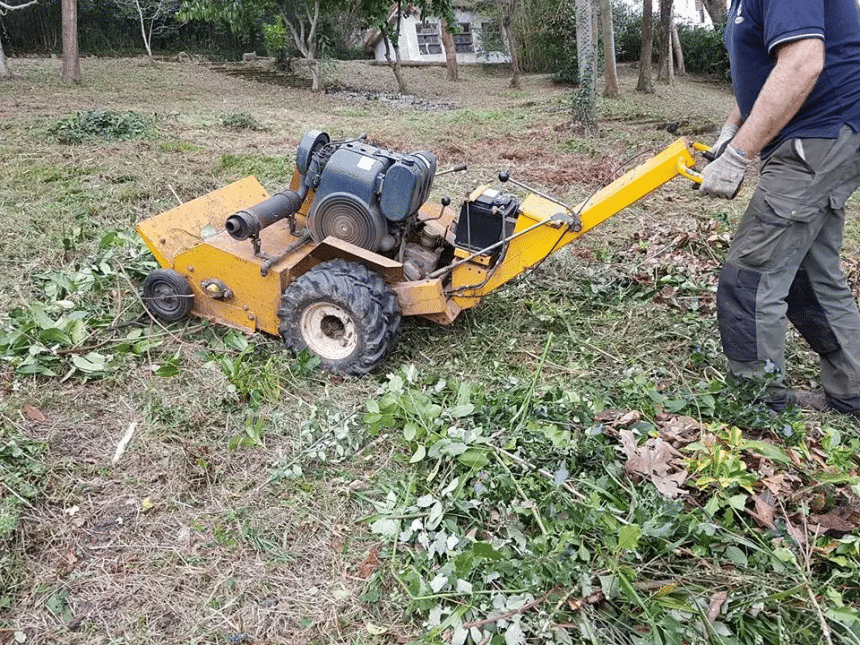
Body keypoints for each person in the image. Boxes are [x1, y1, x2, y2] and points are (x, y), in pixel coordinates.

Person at [700, 0, 860, 419]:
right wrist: (731, 129)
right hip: (822, 137)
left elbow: (803, 62)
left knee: (750, 277)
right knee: (810, 272)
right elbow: (762, 71)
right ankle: (853, 392)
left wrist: (738, 156)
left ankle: (757, 407)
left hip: (819, 134)